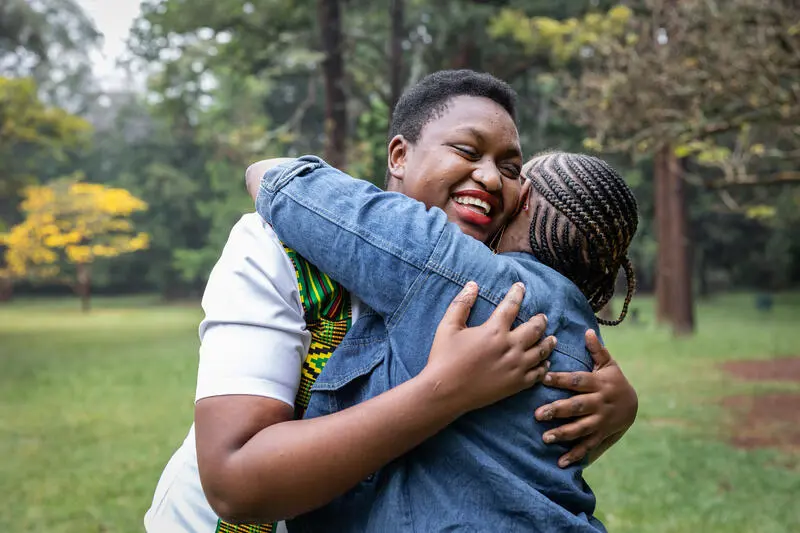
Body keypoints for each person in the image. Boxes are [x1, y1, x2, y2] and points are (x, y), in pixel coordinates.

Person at [145, 70, 637, 533]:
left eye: (511, 169)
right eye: (467, 150)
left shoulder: (501, 299)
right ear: (398, 156)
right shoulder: (277, 244)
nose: (490, 178)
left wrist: (618, 409)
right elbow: (235, 483)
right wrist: (447, 389)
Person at [249, 150, 638, 532]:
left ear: (522, 200)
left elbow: (278, 180)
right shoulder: (586, 346)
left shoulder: (463, 272)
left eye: (512, 174)